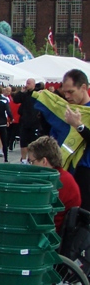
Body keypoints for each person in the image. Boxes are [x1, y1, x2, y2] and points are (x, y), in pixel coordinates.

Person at [36, 69, 90, 209]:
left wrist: (79, 126)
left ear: (83, 87)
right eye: (64, 92)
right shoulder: (63, 109)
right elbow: (51, 136)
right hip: (63, 172)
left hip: (85, 172)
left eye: (71, 92)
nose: (66, 96)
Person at [27, 135, 81, 232]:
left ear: (44, 161)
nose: (30, 166)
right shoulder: (65, 177)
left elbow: (38, 216)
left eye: (32, 162)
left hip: (50, 234)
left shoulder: (55, 183)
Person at [13, 78, 43, 162]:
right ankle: (23, 159)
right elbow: (15, 100)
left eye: (29, 83)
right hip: (24, 121)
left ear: (34, 84)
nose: (27, 85)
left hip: (34, 122)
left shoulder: (37, 94)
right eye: (26, 83)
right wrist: (21, 91)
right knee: (23, 141)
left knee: (33, 142)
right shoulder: (25, 94)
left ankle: (31, 159)